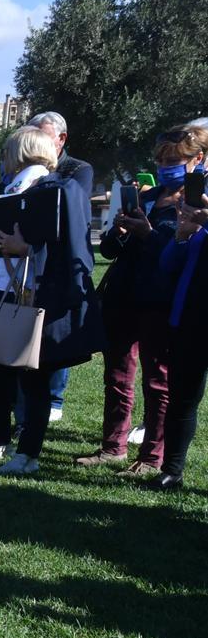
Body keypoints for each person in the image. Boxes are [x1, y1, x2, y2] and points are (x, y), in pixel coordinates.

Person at [0, 126, 101, 475]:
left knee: (34, 378)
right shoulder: (5, 191)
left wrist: (26, 249)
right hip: (3, 290)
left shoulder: (60, 189)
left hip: (38, 296)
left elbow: (73, 250)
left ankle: (28, 455)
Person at [76, 127, 204, 475]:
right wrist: (118, 232)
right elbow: (110, 251)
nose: (165, 167)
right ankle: (113, 446)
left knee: (157, 381)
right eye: (161, 160)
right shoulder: (147, 197)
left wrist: (148, 234)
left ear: (198, 160)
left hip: (160, 302)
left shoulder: (197, 206)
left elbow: (181, 255)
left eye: (174, 161)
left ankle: (152, 457)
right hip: (123, 296)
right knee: (117, 375)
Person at [28, 111, 94, 423]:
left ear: (60, 139)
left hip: (58, 267)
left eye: (41, 136)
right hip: (30, 268)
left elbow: (69, 215)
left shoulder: (76, 171)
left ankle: (54, 399)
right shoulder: (25, 174)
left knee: (56, 338)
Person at [150, 134, 208, 490]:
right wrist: (183, 235)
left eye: (178, 158)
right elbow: (168, 265)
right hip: (190, 313)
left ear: (199, 158)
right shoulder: (186, 202)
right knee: (183, 395)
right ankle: (172, 469)